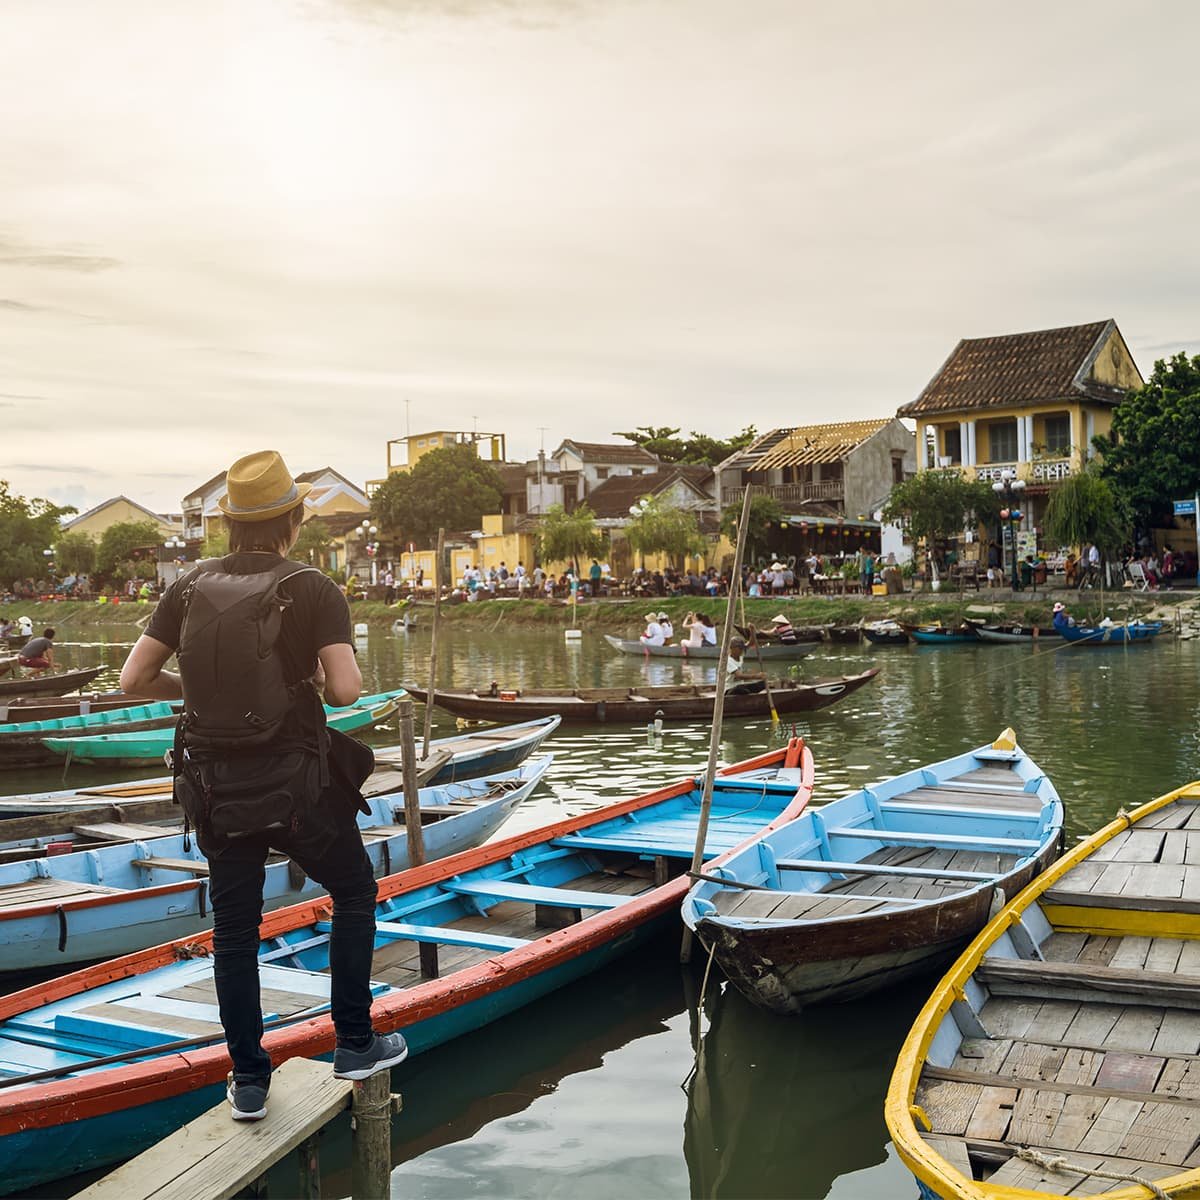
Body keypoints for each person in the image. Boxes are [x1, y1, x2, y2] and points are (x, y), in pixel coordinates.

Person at [118, 450, 406, 1122]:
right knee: (355, 890)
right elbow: (344, 690)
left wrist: (203, 693)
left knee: (236, 932)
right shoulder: (312, 586)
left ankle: (249, 1079)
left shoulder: (187, 584)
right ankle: (356, 1041)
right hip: (297, 785)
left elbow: (133, 680)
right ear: (294, 518)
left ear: (229, 525)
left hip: (216, 788)